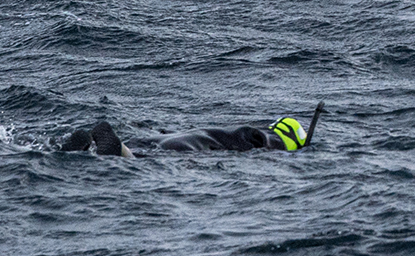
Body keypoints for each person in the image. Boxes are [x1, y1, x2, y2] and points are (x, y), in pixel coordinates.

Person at [57, 102, 324, 157]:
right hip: (187, 147)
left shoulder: (249, 128)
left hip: (171, 135)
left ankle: (93, 144)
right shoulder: (269, 140)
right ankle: (118, 150)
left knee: (145, 147)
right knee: (139, 162)